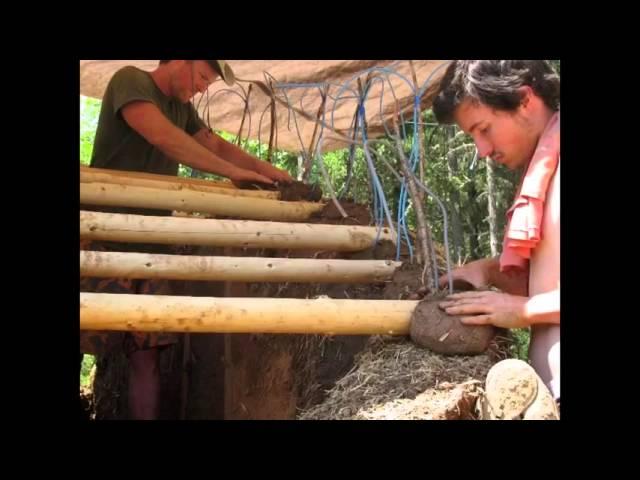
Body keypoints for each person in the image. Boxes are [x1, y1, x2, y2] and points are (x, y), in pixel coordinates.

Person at [80, 60, 293, 419]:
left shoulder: (182, 109)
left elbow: (216, 145)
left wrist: (269, 172)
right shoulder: (131, 81)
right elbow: (164, 137)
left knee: (146, 357)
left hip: (152, 246)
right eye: (202, 78)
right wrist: (233, 175)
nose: (203, 88)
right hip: (101, 238)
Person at [432, 60, 560, 419]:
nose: (482, 150)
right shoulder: (543, 172)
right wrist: (488, 272)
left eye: (484, 129)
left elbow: (537, 303)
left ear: (524, 100)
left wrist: (522, 311)